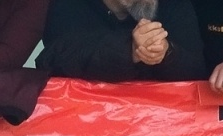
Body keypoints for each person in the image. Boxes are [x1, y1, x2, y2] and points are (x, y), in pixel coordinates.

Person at [40, 0, 206, 80]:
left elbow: (198, 72)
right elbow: (52, 59)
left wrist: (167, 53)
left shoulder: (173, 5)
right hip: (85, 130)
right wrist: (129, 49)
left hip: (162, 131)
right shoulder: (70, 5)